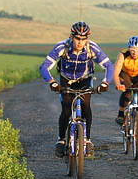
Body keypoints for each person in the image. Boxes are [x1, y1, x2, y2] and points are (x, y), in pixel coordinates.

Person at [39, 21, 114, 157]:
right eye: (77, 38)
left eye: (83, 39)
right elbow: (44, 66)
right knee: (66, 109)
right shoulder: (62, 47)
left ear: (87, 39)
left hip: (85, 79)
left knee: (86, 107)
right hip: (66, 79)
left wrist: (105, 83)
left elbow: (109, 65)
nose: (80, 42)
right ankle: (61, 140)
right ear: (71, 37)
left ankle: (87, 140)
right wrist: (52, 82)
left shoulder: (92, 48)